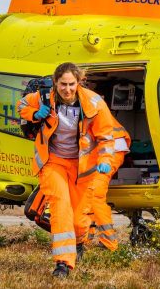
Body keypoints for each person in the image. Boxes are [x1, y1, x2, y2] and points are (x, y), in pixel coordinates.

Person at [16, 62, 115, 278]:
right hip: (53, 163)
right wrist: (35, 113)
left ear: (79, 82)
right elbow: (21, 105)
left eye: (71, 84)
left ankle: (79, 242)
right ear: (55, 83)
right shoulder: (44, 97)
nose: (67, 89)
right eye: (63, 84)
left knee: (80, 219)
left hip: (83, 168)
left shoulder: (94, 103)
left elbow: (107, 136)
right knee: (60, 207)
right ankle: (63, 263)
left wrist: (106, 158)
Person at [85, 124, 131, 251]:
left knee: (95, 196)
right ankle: (85, 238)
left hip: (110, 150)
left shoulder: (83, 108)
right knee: (88, 194)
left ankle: (108, 243)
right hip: (108, 148)